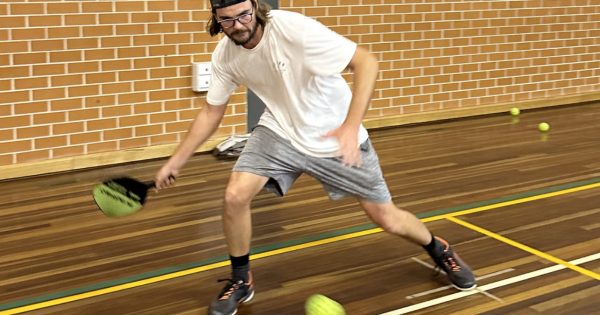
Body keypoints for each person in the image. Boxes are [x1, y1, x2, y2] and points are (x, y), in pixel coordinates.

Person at [155, 0, 476, 314]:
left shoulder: (292, 29)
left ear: (255, 7)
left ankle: (439, 248)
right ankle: (241, 281)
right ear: (216, 19)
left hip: (335, 136)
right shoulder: (225, 55)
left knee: (387, 218)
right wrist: (176, 161)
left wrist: (350, 127)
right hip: (281, 130)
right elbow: (212, 111)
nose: (239, 25)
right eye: (228, 20)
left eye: (244, 15)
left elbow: (366, 62)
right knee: (235, 196)